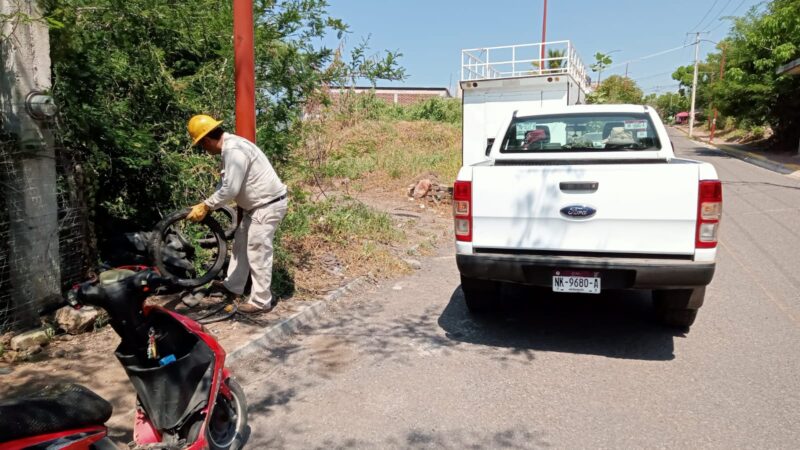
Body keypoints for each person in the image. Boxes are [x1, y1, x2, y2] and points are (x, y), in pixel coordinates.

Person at [185, 114, 288, 313]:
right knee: (241, 244)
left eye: (201, 145)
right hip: (258, 206)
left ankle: (261, 301)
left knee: (258, 251)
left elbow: (230, 189)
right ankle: (233, 286)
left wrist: (207, 206)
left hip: (267, 205)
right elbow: (225, 184)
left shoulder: (233, 150)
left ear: (207, 140)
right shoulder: (229, 149)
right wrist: (207, 203)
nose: (203, 150)